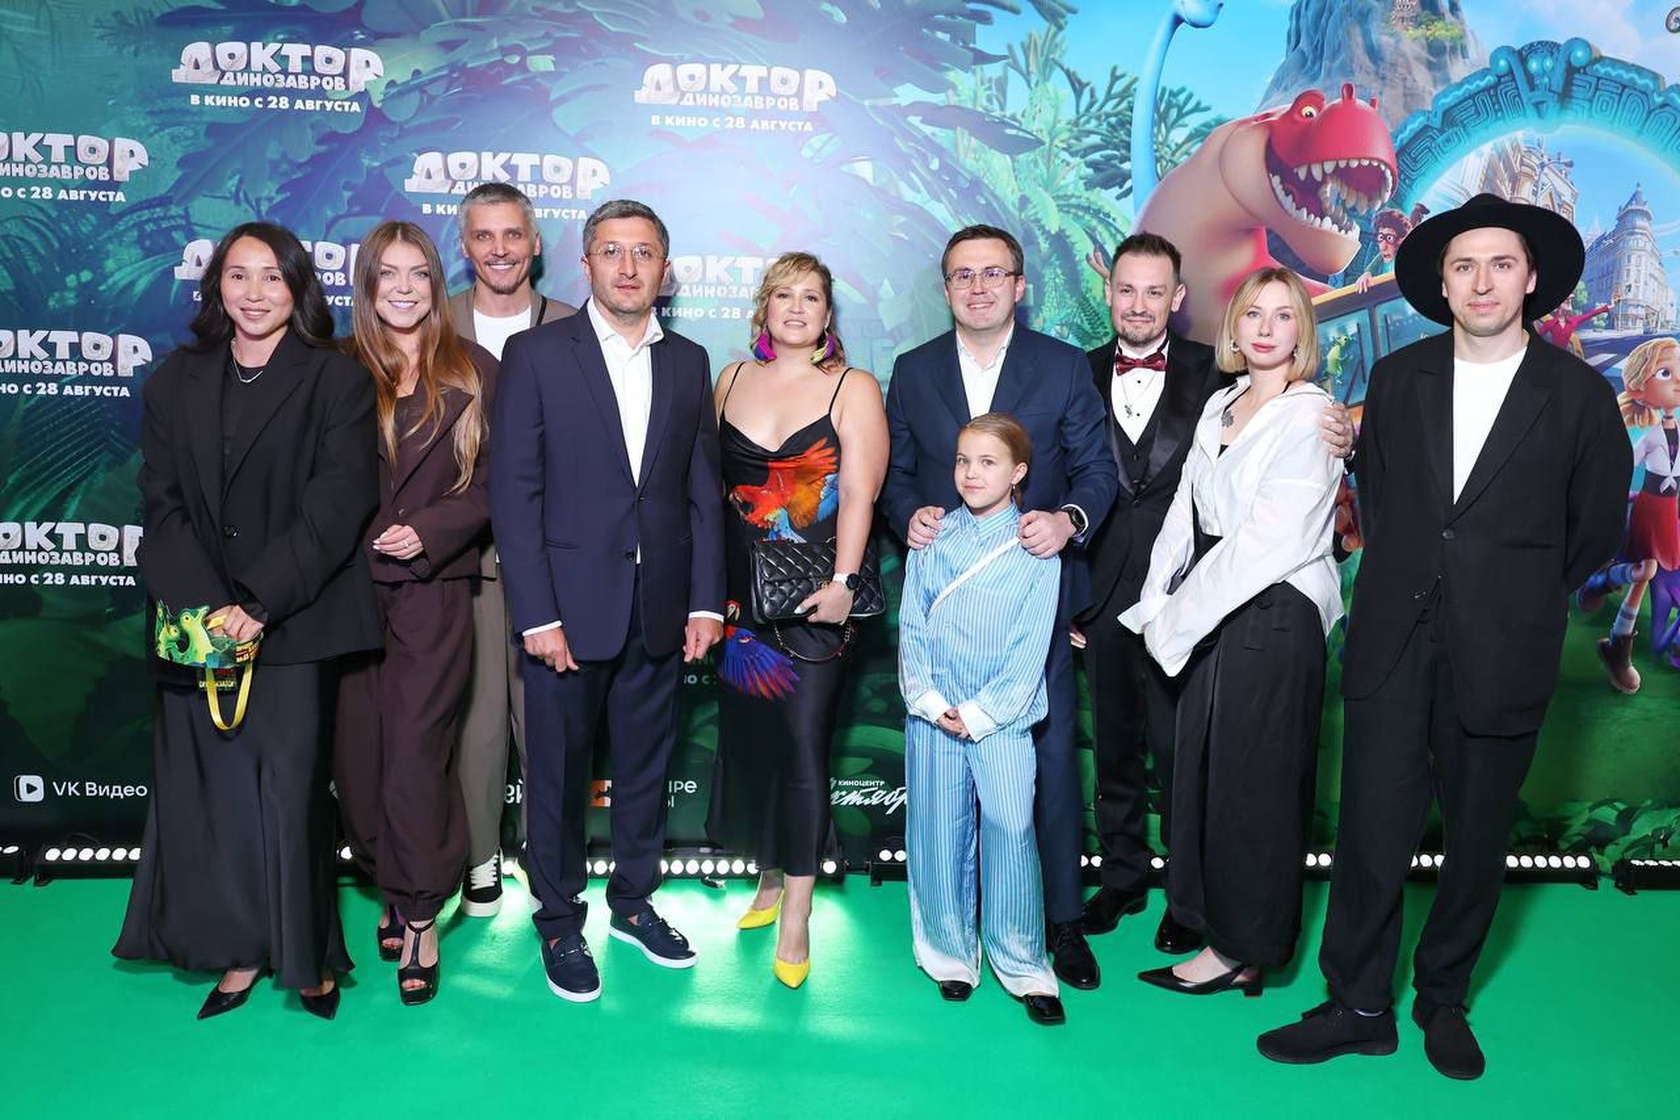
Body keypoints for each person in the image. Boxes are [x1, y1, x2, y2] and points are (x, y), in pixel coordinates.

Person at [1257, 194, 1630, 1079]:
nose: (1482, 281)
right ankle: (1357, 1004)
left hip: (1506, 643)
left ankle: (1444, 997)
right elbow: (1384, 504)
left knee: (1478, 835)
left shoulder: (1579, 394)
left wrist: (1515, 591)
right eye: (1464, 266)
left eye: (1501, 264)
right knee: (1370, 828)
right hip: (1395, 635)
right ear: (1443, 283)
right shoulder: (1399, 379)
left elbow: (1594, 530)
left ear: (1530, 279)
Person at [115, 221, 382, 1020]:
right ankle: (237, 948)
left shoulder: (336, 381)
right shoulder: (175, 380)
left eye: (273, 277)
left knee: (290, 795)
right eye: (239, 276)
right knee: (215, 796)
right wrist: (208, 609)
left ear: (298, 288)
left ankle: (306, 957)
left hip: (294, 622)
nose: (255, 293)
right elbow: (160, 503)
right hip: (197, 625)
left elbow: (338, 506)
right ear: (216, 288)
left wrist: (259, 602)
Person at [490, 198, 725, 1002]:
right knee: (556, 776)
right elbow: (514, 493)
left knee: (647, 769)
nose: (628, 267)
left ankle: (633, 902)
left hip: (658, 608)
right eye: (613, 251)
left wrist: (705, 601)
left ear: (666, 270)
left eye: (644, 252)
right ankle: (558, 920)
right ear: (586, 263)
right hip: (565, 613)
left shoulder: (689, 361)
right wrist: (536, 613)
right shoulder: (535, 354)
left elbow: (701, 488)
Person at [883, 224, 1117, 990]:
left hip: (1031, 601)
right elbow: (895, 473)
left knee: (1044, 763)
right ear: (946, 288)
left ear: (1019, 285)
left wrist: (1068, 521)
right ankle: (952, 932)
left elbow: (1096, 469)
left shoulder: (1062, 365)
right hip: (945, 605)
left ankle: (1059, 923)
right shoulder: (913, 370)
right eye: (962, 275)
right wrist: (908, 515)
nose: (978, 287)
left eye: (993, 273)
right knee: (945, 777)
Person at [1120, 267, 1343, 997]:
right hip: (1214, 604)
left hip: (1274, 609)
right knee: (1208, 776)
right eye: (1253, 313)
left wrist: (1176, 621)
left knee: (1257, 786)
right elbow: (1183, 514)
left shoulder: (1312, 415)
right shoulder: (1222, 402)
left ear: (1301, 331)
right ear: (1235, 328)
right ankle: (1218, 926)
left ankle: (1245, 948)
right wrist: (1154, 603)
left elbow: (1269, 542)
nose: (1267, 328)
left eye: (1283, 315)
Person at [707, 252, 888, 989]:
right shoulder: (729, 380)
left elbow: (862, 494)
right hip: (739, 605)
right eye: (783, 294)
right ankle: (770, 877)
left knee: (805, 746)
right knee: (757, 745)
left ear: (827, 314)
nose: (796, 307)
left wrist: (844, 582)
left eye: (811, 297)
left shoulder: (852, 387)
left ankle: (799, 915)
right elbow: (708, 492)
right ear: (764, 307)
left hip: (817, 601)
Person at [335, 220, 496, 1005]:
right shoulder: (334, 368)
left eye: (418, 274)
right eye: (387, 274)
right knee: (359, 764)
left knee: (414, 755)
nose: (403, 288)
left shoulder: (477, 369)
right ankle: (391, 881)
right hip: (343, 595)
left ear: (437, 283)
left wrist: (432, 529)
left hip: (433, 590)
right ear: (367, 284)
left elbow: (503, 483)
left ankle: (423, 912)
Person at [1073, 232, 1218, 953]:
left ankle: (1188, 895)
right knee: (1115, 747)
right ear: (1109, 292)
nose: (1138, 304)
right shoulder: (1074, 373)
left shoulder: (1218, 371)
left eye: (1154, 291)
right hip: (1098, 597)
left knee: (1182, 750)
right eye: (1126, 289)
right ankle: (1124, 875)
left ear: (1177, 298)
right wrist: (1067, 597)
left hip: (1185, 597)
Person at [899, 413, 1065, 1026]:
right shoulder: (931, 537)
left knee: (1011, 826)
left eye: (988, 462)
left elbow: (1030, 648)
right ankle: (949, 956)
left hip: (1002, 715)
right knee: (937, 829)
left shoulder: (1035, 547)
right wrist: (929, 701)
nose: (971, 474)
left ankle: (1022, 962)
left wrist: (979, 712)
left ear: (1018, 472)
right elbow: (911, 625)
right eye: (963, 461)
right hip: (933, 712)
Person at [447, 182, 578, 917]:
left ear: (535, 243)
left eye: (512, 235)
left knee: (548, 719)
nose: (499, 249)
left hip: (553, 562)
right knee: (475, 717)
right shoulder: (433, 322)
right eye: (483, 236)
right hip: (457, 558)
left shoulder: (574, 326)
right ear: (465, 246)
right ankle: (478, 857)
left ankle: (547, 858)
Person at [1583, 336, 1680, 694]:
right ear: (1640, 389)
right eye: (1666, 373)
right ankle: (1618, 644)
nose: (1677, 380)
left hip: (1668, 512)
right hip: (1649, 511)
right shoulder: (1649, 436)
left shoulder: (1675, 429)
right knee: (1645, 569)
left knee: (1652, 570)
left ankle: (1606, 595)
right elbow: (1624, 465)